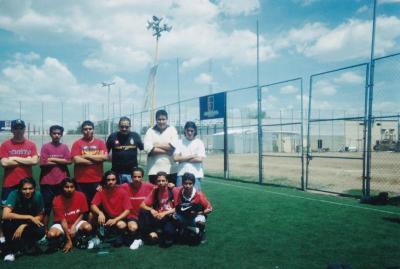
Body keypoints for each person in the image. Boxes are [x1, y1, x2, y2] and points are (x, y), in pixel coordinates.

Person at [0, 119, 38, 246]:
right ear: (12, 130)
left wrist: (14, 158)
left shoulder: (31, 145)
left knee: (27, 210)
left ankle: (26, 236)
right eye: (16, 128)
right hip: (9, 183)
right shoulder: (5, 145)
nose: (18, 130)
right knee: (6, 213)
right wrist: (25, 159)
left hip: (26, 185)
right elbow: (4, 163)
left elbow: (33, 162)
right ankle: (2, 237)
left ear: (24, 129)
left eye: (21, 128)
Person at [2, 177, 45, 262]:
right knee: (6, 223)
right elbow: (5, 215)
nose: (28, 191)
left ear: (34, 188)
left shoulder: (38, 195)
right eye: (24, 189)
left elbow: (40, 216)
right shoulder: (13, 194)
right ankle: (10, 251)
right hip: (15, 223)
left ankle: (28, 244)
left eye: (30, 188)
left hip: (27, 223)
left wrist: (24, 225)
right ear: (19, 189)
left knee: (41, 229)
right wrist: (29, 217)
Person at [46, 177, 92, 253]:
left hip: (76, 222)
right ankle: (65, 239)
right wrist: (69, 240)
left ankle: (77, 237)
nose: (69, 189)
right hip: (61, 224)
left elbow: (82, 213)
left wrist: (74, 226)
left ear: (75, 187)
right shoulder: (57, 200)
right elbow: (62, 221)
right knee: (51, 234)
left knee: (88, 227)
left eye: (72, 187)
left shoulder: (81, 195)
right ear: (62, 188)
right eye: (66, 187)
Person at [39, 125, 72, 229]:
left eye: (59, 133)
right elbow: (43, 163)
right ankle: (44, 232)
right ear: (50, 134)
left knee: (63, 208)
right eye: (54, 133)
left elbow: (69, 161)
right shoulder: (45, 146)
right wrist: (61, 161)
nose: (56, 135)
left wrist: (51, 159)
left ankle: (63, 229)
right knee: (47, 209)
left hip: (62, 183)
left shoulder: (64, 147)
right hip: (47, 182)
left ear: (61, 135)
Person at [91, 170, 131, 247]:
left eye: (113, 179)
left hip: (119, 218)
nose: (111, 182)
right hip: (107, 216)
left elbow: (127, 210)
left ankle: (114, 234)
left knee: (121, 225)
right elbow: (93, 205)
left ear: (116, 180)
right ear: (105, 180)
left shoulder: (123, 192)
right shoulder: (101, 190)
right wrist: (100, 213)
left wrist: (115, 220)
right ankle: (94, 234)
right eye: (108, 180)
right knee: (91, 215)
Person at [71, 120, 108, 205]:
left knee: (96, 204)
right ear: (82, 131)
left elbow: (104, 157)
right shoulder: (77, 143)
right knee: (83, 204)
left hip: (97, 179)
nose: (88, 131)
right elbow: (76, 160)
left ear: (93, 130)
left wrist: (86, 156)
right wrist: (96, 160)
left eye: (90, 129)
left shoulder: (100, 143)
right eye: (85, 129)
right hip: (81, 180)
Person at [120, 167, 154, 250]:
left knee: (153, 238)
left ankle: (141, 236)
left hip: (145, 216)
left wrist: (171, 186)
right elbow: (112, 187)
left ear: (142, 177)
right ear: (131, 177)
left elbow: (161, 186)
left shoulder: (148, 186)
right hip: (132, 216)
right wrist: (101, 187)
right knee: (133, 228)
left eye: (139, 177)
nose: (137, 179)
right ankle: (137, 237)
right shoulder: (125, 186)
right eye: (134, 177)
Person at [173, 172, 212, 245]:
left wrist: (200, 213)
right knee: (173, 216)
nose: (187, 186)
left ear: (193, 184)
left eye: (190, 183)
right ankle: (184, 229)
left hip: (195, 216)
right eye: (185, 183)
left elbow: (209, 208)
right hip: (183, 215)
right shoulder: (177, 191)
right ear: (182, 183)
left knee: (200, 222)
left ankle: (201, 232)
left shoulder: (199, 194)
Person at [140, 171, 177, 247]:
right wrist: (151, 210)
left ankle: (166, 232)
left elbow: (178, 208)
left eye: (163, 181)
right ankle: (152, 232)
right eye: (159, 181)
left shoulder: (172, 190)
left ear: (167, 181)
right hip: (158, 216)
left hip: (168, 216)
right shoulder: (155, 190)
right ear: (156, 182)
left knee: (167, 240)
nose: (161, 183)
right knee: (143, 211)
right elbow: (142, 205)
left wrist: (164, 213)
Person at [144, 109, 178, 185]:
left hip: (170, 170)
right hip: (153, 170)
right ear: (156, 120)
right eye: (159, 119)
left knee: (171, 194)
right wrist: (167, 151)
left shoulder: (172, 130)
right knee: (155, 195)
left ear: (167, 119)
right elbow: (147, 148)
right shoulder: (150, 131)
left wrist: (156, 145)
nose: (161, 121)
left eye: (163, 119)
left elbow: (172, 146)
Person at [106, 117, 144, 184]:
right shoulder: (113, 136)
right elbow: (105, 152)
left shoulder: (135, 136)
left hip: (132, 173)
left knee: (131, 193)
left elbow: (143, 148)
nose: (124, 129)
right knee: (118, 193)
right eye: (122, 126)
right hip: (116, 172)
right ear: (118, 126)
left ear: (130, 126)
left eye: (126, 127)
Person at [173, 121, 206, 190]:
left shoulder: (199, 143)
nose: (189, 133)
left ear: (195, 131)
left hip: (195, 175)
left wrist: (182, 158)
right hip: (181, 174)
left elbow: (200, 159)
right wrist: (191, 156)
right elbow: (175, 158)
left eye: (192, 131)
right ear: (185, 130)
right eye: (188, 130)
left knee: (195, 199)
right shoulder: (180, 142)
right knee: (180, 198)